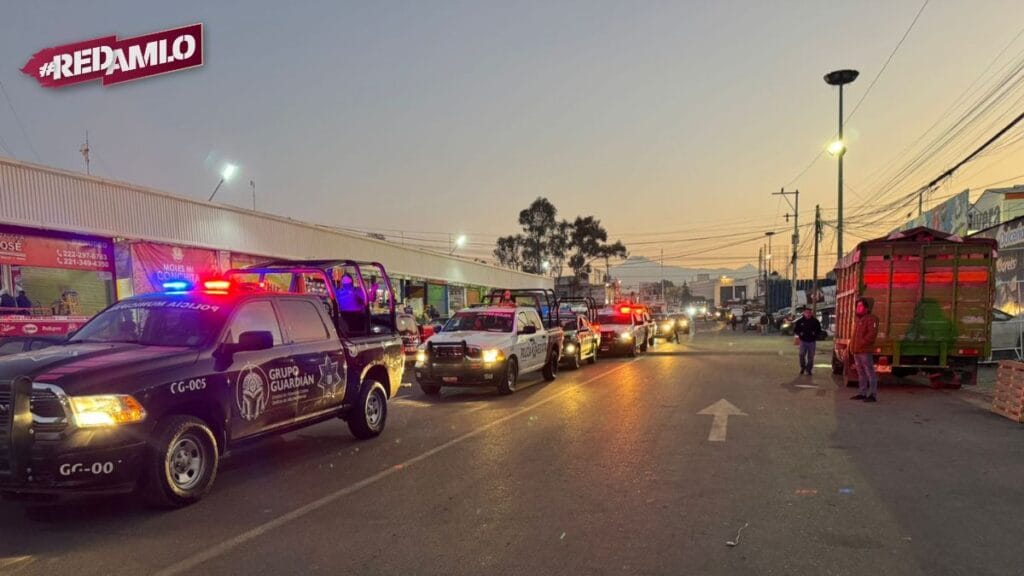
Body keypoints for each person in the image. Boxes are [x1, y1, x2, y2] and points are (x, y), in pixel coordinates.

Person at [851, 297, 880, 402]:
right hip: (857, 351)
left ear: (867, 308)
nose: (858, 308)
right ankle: (862, 393)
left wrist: (862, 343)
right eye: (857, 306)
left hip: (864, 351)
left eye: (860, 306)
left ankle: (872, 394)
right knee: (861, 373)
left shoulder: (871, 319)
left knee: (869, 373)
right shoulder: (859, 320)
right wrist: (852, 347)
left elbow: (872, 334)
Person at [794, 308, 822, 375]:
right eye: (807, 312)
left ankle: (808, 369)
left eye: (809, 312)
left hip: (812, 342)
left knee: (811, 356)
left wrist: (815, 334)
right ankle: (803, 368)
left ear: (811, 313)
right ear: (804, 313)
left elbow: (819, 331)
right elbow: (795, 330)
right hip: (803, 341)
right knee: (801, 355)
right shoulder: (800, 321)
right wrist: (800, 333)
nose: (808, 314)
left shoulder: (815, 321)